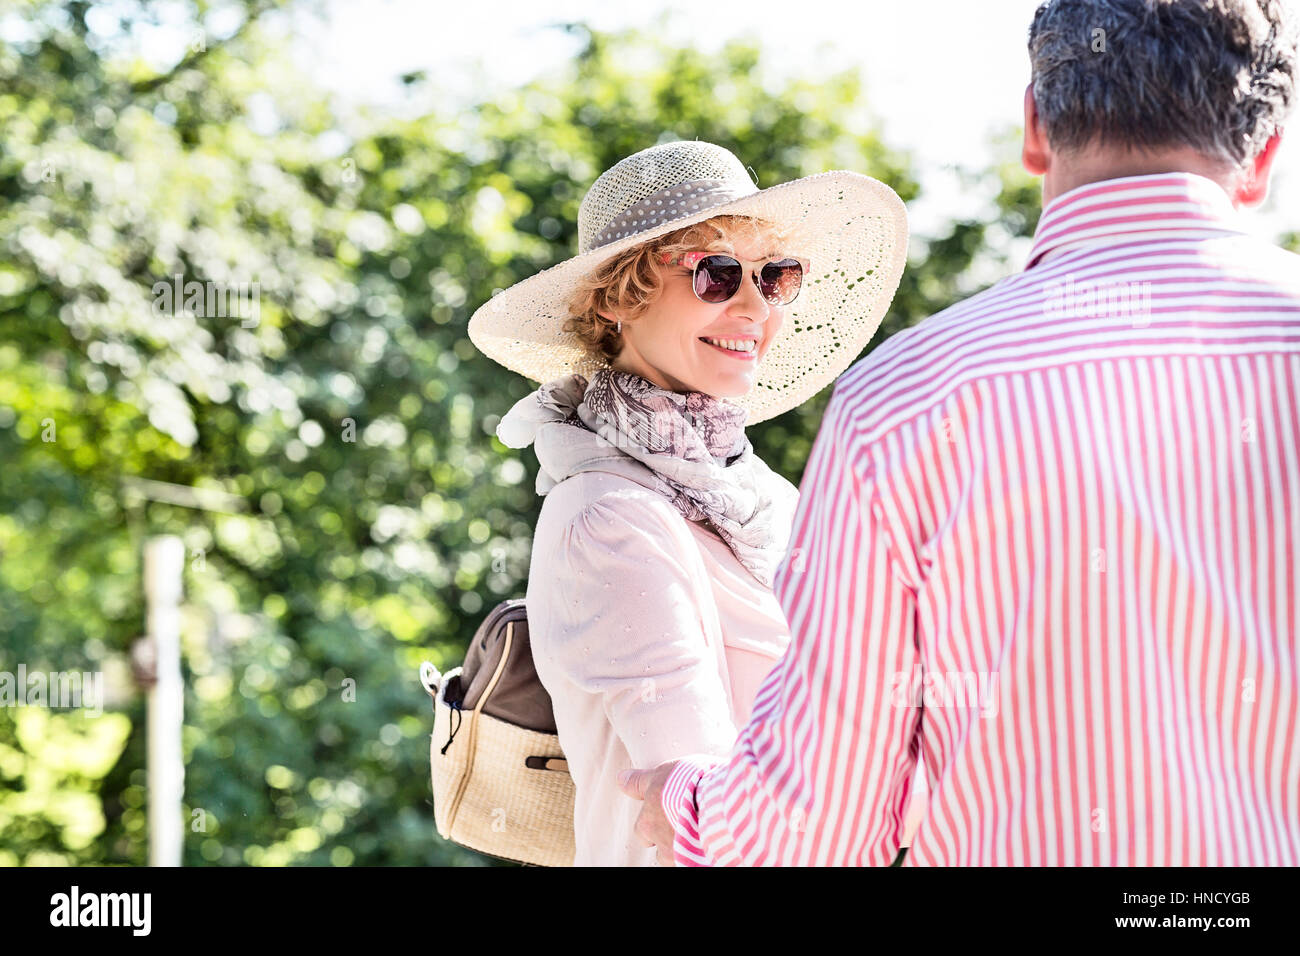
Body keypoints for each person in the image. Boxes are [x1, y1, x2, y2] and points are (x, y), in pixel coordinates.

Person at [621, 0, 1300, 866]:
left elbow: (817, 831)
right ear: (1266, 156)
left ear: (1033, 127)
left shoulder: (904, 399)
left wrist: (684, 802)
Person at [467, 140, 909, 865]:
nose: (753, 306)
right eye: (717, 274)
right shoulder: (610, 514)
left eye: (776, 278)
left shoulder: (758, 493)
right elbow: (705, 811)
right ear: (615, 299)